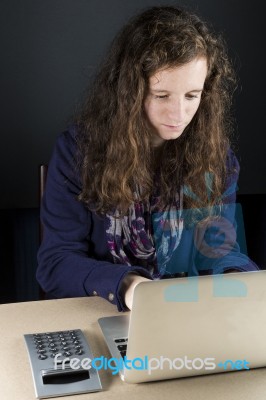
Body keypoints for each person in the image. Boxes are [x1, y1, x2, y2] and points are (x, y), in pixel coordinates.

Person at [37, 5, 258, 312]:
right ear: (130, 90)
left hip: (186, 316)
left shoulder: (217, 159)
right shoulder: (77, 152)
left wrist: (241, 280)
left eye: (191, 96)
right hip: (101, 313)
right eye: (161, 95)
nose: (178, 114)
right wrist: (130, 287)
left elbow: (217, 250)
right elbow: (57, 261)